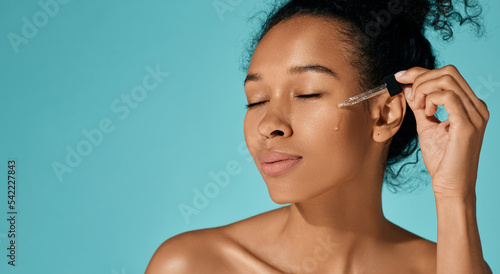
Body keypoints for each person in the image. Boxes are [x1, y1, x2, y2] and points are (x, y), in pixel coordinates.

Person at [146, 0, 492, 273]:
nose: (269, 124)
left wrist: (454, 195)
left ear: (385, 114)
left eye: (307, 94)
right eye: (257, 100)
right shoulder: (193, 266)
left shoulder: (447, 266)